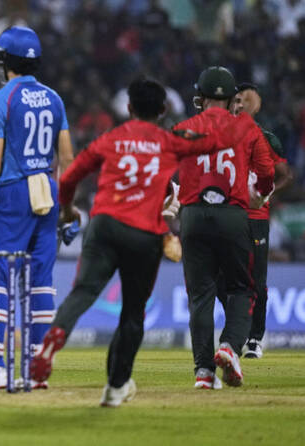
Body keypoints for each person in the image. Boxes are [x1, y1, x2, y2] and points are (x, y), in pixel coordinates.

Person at [29, 77, 252, 406]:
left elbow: (71, 174)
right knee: (133, 314)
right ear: (162, 110)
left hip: (104, 225)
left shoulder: (110, 138)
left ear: (129, 108)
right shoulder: (170, 141)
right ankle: (116, 387)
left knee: (83, 292)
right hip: (143, 234)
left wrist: (67, 208)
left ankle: (55, 337)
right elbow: (216, 142)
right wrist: (239, 116)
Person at [0, 26, 74, 389]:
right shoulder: (55, 99)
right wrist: (67, 207)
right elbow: (67, 160)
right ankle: (36, 373)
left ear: (3, 62)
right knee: (40, 285)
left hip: (10, 195)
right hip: (47, 192)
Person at [172, 67, 274, 389]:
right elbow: (266, 172)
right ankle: (230, 345)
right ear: (232, 100)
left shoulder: (184, 128)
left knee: (200, 295)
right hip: (233, 214)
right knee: (242, 289)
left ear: (200, 99)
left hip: (193, 216)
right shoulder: (247, 128)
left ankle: (203, 372)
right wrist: (260, 194)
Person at [217, 83, 293, 359]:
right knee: (220, 280)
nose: (240, 105)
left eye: (245, 100)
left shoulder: (267, 138)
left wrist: (265, 194)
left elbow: (285, 176)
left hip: (256, 218)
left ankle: (255, 338)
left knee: (256, 281)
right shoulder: (221, 135)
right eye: (236, 100)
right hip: (227, 216)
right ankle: (238, 328)